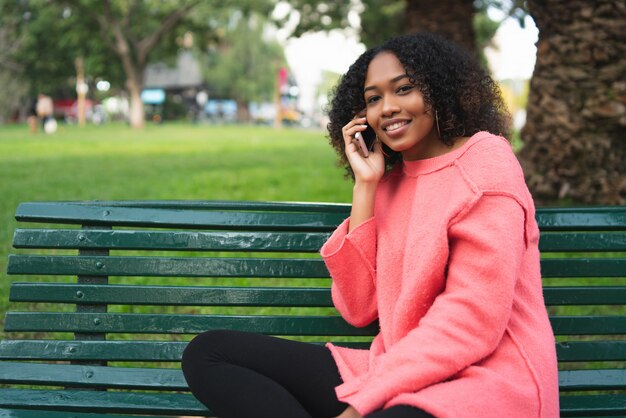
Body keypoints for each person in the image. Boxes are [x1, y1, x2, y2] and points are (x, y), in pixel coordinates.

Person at [182, 32, 559, 418]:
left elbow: (471, 319)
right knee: (209, 354)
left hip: (488, 384)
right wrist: (366, 187)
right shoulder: (391, 185)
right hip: (400, 369)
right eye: (373, 99)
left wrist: (362, 405)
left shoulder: (485, 164)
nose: (388, 108)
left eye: (404, 89)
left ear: (441, 90)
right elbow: (359, 308)